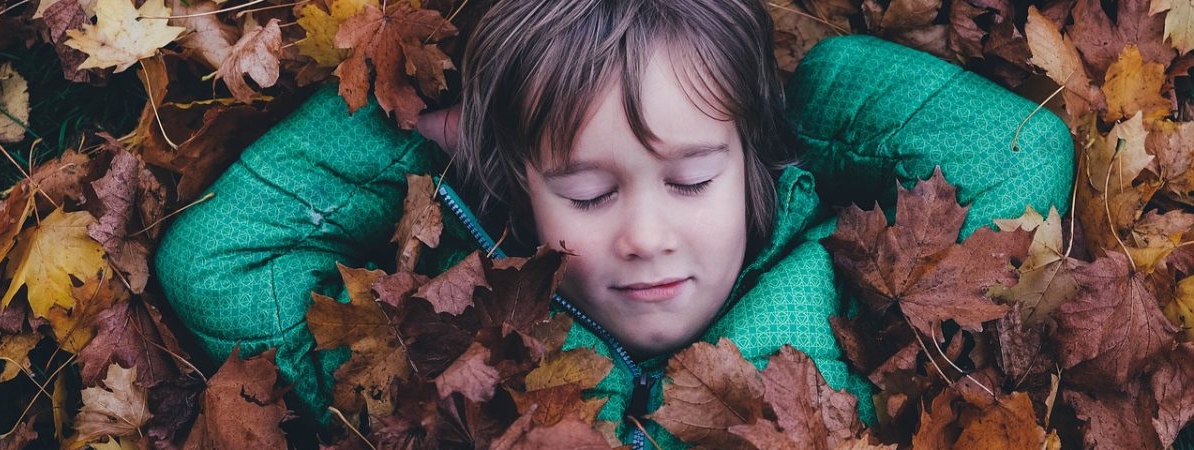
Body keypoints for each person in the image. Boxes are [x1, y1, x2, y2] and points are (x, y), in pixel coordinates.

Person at [154, 0, 1075, 448]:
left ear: (750, 159)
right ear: (516, 192)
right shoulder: (450, 365)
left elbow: (1016, 157)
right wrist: (421, 132)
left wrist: (803, 101)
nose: (645, 234)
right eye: (589, 195)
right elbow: (217, 262)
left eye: (691, 178)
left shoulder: (854, 293)